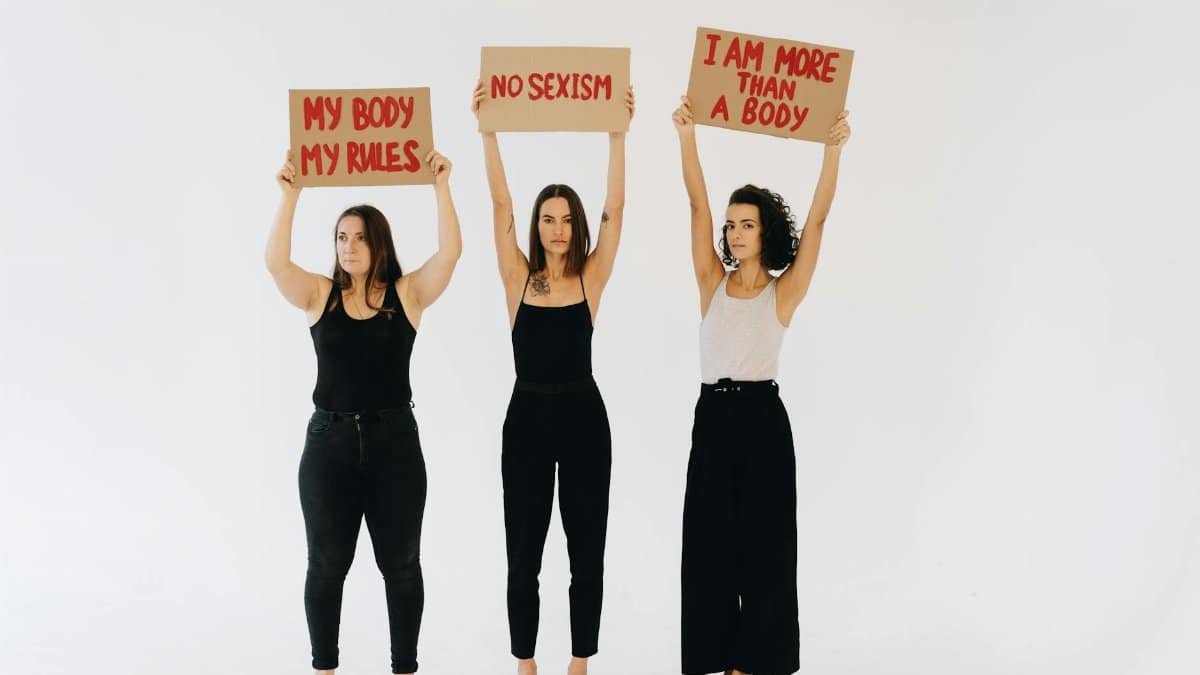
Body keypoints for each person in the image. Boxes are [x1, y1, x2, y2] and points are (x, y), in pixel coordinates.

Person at [671, 96, 851, 675]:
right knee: (709, 549)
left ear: (765, 230)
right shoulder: (710, 282)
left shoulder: (784, 290)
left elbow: (819, 220)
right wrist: (686, 134)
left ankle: (755, 664)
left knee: (766, 550)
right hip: (713, 418)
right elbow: (696, 205)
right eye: (732, 225)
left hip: (762, 421)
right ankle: (714, 660)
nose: (735, 231)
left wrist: (833, 149)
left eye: (747, 224)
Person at [266, 148, 462, 675]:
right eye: (340, 237)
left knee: (400, 567)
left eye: (359, 237)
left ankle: (403, 668)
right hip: (327, 446)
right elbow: (276, 265)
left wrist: (441, 186)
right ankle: (325, 668)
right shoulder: (319, 295)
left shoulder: (406, 297)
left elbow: (449, 255)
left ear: (379, 244)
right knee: (326, 567)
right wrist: (292, 195)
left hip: (394, 445)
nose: (348, 246)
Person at [472, 80, 634, 675]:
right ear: (537, 226)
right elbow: (499, 207)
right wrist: (488, 133)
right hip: (528, 419)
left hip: (585, 420)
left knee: (586, 549)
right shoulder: (518, 278)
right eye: (548, 218)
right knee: (525, 551)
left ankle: (580, 661)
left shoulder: (590, 280)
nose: (558, 229)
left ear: (577, 226)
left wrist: (617, 135)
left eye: (567, 220)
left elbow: (617, 212)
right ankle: (525, 662)